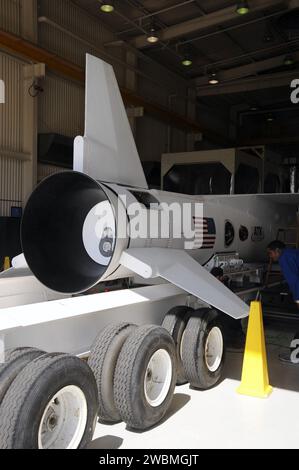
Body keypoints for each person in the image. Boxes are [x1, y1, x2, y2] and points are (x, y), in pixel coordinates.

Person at [267, 240, 299, 363]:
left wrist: (297, 299)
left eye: (271, 253)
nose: (270, 257)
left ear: (277, 251)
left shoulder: (284, 259)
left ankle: (296, 356)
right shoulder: (293, 253)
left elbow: (294, 282)